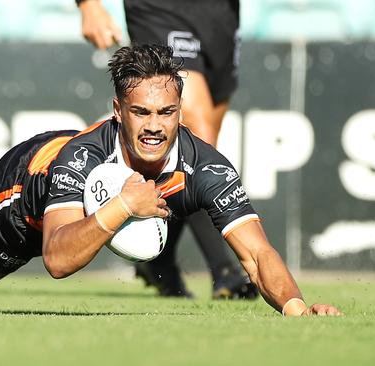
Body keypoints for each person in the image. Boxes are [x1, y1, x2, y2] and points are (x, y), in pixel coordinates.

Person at [0, 45, 340, 317]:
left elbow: (256, 254)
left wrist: (295, 307)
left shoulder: (206, 166)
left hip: (38, 186)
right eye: (140, 112)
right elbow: (59, 260)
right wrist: (121, 208)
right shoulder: (82, 158)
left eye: (167, 112)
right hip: (28, 192)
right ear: (117, 110)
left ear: (180, 111)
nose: (155, 126)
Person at [77, 0, 251, 299]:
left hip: (221, 16)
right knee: (196, 131)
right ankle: (225, 271)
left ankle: (160, 261)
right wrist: (88, 4)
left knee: (194, 148)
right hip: (159, 8)